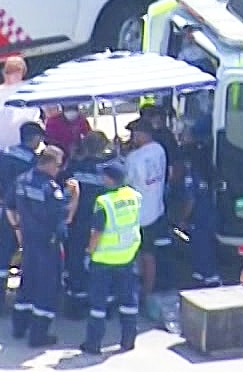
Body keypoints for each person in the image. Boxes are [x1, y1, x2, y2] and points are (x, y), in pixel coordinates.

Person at [9, 146, 74, 347]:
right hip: (48, 243)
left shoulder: (22, 180)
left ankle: (19, 327)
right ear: (50, 163)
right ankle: (39, 335)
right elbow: (63, 215)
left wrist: (18, 230)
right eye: (59, 164)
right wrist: (73, 194)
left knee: (27, 283)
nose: (60, 169)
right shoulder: (50, 188)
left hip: (29, 240)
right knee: (47, 288)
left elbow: (10, 206)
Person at [79, 161, 143, 355]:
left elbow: (97, 232)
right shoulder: (135, 196)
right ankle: (128, 340)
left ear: (111, 179)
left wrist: (89, 252)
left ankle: (93, 344)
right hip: (128, 256)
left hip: (104, 259)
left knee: (98, 304)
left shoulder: (104, 202)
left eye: (104, 176)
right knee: (129, 301)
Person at [0, 119, 44, 318]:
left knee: (3, 256)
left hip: (7, 210)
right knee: (29, 256)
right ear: (35, 138)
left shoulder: (6, 152)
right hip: (27, 213)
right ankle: (26, 301)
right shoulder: (34, 161)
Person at [63, 130, 116, 317]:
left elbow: (64, 190)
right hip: (103, 224)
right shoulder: (110, 169)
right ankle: (106, 305)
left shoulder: (75, 167)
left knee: (76, 263)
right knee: (102, 265)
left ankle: (76, 306)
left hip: (78, 222)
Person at [125, 117, 171, 304]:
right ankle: (148, 290)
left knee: (142, 255)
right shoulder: (159, 150)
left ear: (140, 134)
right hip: (156, 209)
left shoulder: (134, 158)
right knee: (150, 254)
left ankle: (143, 292)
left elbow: (126, 181)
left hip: (139, 214)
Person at [179, 133, 221, 287]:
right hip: (211, 213)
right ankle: (200, 273)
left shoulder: (192, 175)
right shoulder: (208, 171)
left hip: (199, 216)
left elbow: (190, 199)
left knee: (201, 246)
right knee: (207, 245)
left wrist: (183, 218)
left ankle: (210, 276)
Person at [0, 55, 41, 160]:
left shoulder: (28, 88)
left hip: (24, 138)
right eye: (10, 71)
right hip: (3, 137)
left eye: (17, 70)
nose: (14, 74)